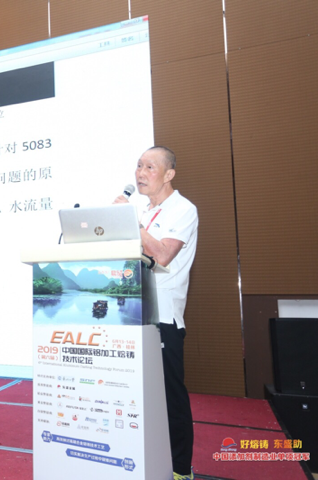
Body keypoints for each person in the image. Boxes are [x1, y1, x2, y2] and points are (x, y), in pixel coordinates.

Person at [114, 146, 198, 480]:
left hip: (163, 318)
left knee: (170, 398)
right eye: (138, 166)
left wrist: (132, 225)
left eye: (149, 167)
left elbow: (162, 255)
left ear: (169, 174)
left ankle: (180, 469)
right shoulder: (144, 211)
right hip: (132, 313)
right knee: (137, 397)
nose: (140, 173)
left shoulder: (183, 209)